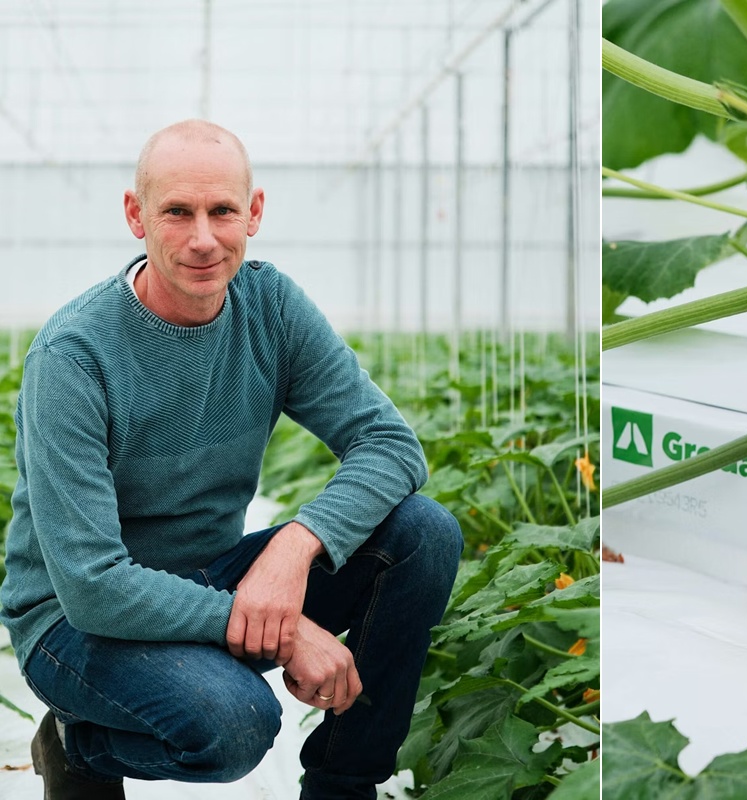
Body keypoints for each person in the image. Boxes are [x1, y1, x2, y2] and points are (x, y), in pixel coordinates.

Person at [0, 119, 463, 800]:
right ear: (136, 215)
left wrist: (294, 549)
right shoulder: (73, 357)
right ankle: (78, 743)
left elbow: (390, 444)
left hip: (209, 574)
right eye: (177, 212)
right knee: (235, 721)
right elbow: (94, 584)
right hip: (72, 623)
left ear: (254, 212)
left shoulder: (269, 306)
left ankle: (342, 786)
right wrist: (286, 630)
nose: (203, 239)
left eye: (221, 211)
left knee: (422, 535)